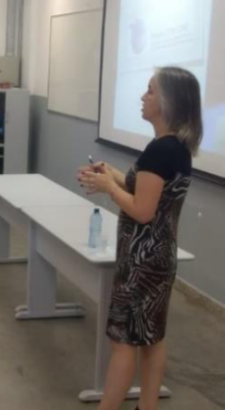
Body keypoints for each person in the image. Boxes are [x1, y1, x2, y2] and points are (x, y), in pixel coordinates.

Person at [77, 67, 202, 410]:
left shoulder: (160, 151)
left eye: (150, 91)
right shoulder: (174, 148)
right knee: (151, 339)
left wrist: (108, 188)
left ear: (168, 101)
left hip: (141, 266)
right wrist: (112, 175)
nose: (143, 97)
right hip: (159, 260)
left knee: (123, 343)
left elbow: (143, 210)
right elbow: (144, 188)